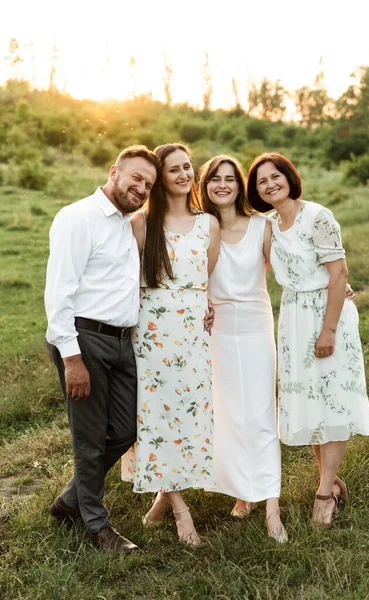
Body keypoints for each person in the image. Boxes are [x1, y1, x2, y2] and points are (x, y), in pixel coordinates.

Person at [44, 145, 160, 554]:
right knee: (90, 439)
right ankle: (97, 527)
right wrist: (72, 359)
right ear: (114, 171)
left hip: (122, 341)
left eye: (148, 183)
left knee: (127, 429)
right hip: (85, 341)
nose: (141, 187)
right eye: (135, 178)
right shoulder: (79, 218)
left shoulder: (128, 224)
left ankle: (70, 501)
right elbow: (58, 293)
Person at [247, 152, 369, 527]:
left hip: (324, 315)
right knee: (312, 402)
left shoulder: (318, 217)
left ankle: (323, 495)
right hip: (293, 319)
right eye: (261, 182)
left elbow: (338, 274)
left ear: (289, 176)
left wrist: (329, 329)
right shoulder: (267, 224)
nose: (270, 185)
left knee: (333, 402)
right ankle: (332, 483)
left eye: (275, 176)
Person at [121, 143, 220, 547]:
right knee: (156, 415)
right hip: (154, 330)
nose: (184, 174)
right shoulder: (142, 223)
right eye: (174, 169)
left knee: (188, 413)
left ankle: (164, 492)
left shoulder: (208, 223)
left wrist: (205, 302)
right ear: (160, 178)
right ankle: (181, 509)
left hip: (194, 331)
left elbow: (205, 275)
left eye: (188, 167)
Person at [198, 154, 287, 543]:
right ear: (206, 185)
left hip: (254, 327)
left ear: (240, 185)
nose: (222, 185)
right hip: (216, 331)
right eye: (215, 179)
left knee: (261, 413)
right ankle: (241, 494)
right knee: (227, 412)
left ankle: (272, 506)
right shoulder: (202, 227)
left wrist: (337, 282)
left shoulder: (262, 226)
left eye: (230, 179)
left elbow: (288, 269)